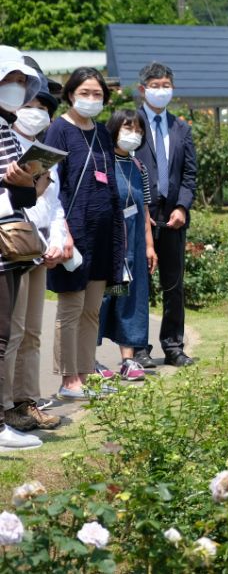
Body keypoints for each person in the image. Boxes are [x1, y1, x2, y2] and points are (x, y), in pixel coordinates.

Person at [44, 67, 126, 401]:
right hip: (72, 232)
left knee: (92, 308)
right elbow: (51, 186)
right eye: (85, 93)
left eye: (97, 94)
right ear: (70, 93)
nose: (92, 99)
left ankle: (86, 372)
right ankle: (68, 379)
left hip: (103, 232)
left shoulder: (103, 133)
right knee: (70, 308)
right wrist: (61, 231)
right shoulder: (58, 131)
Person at [3, 60, 68, 431]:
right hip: (11, 244)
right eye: (31, 105)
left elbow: (53, 205)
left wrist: (56, 240)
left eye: (43, 106)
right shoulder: (6, 140)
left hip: (36, 247)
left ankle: (27, 400)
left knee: (31, 331)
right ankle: (6, 405)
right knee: (10, 331)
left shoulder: (40, 151)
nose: (36, 112)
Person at [132, 62, 196, 368]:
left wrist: (183, 206)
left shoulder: (181, 128)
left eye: (166, 85)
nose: (162, 90)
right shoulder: (131, 125)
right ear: (142, 89)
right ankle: (138, 348)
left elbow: (189, 174)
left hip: (173, 217)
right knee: (139, 284)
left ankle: (173, 346)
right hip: (140, 214)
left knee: (174, 284)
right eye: (155, 85)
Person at [0, 50, 44, 449]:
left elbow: (22, 196)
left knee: (3, 334)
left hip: (8, 247)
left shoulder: (5, 127)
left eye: (20, 80)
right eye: (9, 78)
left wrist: (27, 181)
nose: (16, 87)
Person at [98, 110, 157, 381]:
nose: (133, 134)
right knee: (103, 297)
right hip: (109, 240)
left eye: (138, 130)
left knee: (131, 297)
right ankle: (89, 357)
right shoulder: (102, 162)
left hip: (133, 240)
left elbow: (144, 209)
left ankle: (128, 360)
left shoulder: (138, 167)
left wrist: (149, 246)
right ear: (113, 129)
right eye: (127, 127)